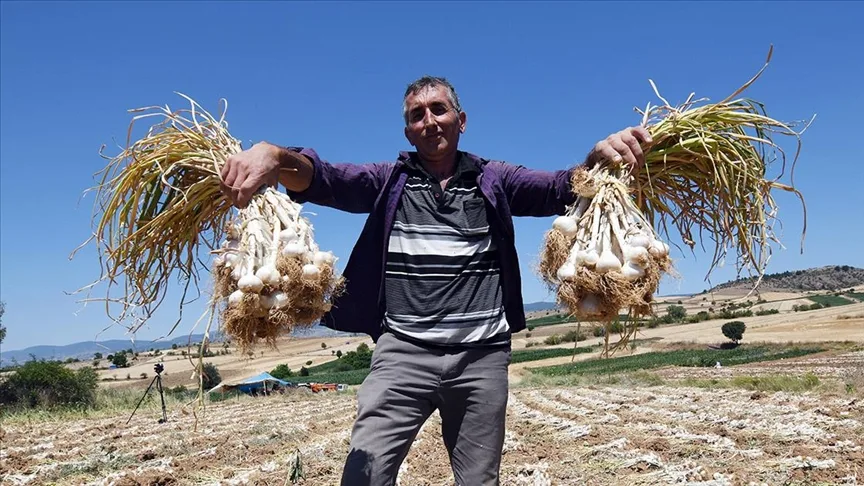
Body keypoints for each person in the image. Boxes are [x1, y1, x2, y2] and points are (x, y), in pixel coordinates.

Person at [219, 76, 651, 486]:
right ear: (408, 132)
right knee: (363, 476)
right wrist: (276, 156)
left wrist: (599, 157)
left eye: (438, 110)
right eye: (416, 115)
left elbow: (563, 186)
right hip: (402, 355)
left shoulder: (495, 179)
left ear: (460, 121)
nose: (429, 121)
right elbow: (323, 178)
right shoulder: (389, 182)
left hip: (480, 359)